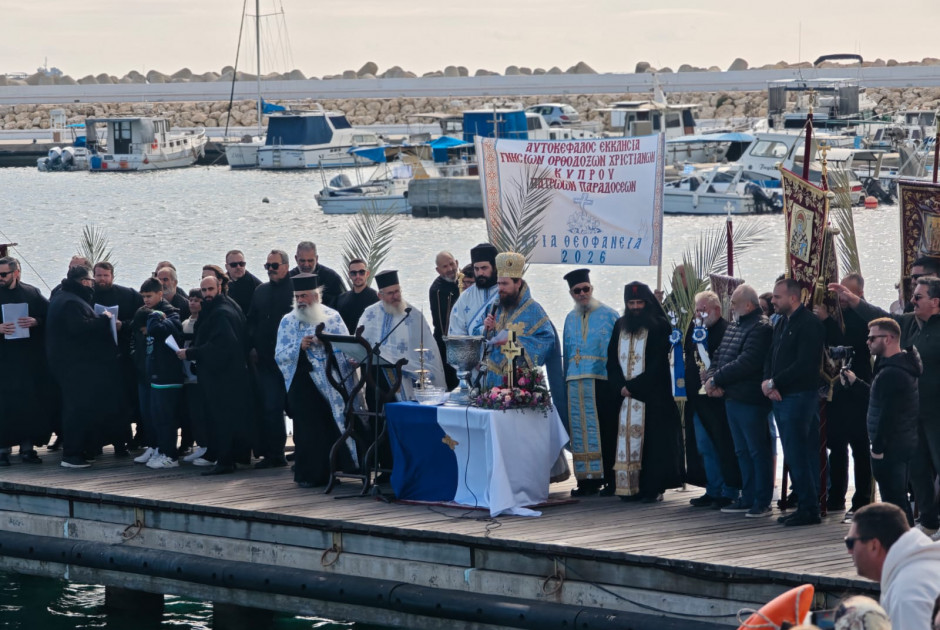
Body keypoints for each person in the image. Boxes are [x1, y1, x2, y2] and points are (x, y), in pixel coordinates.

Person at [831, 275, 940, 539]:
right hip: (912, 412)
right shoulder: (909, 323)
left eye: (918, 296)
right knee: (918, 469)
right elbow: (880, 318)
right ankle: (929, 521)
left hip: (938, 413)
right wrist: (855, 301)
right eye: (913, 295)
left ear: (936, 301)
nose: (912, 300)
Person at [274, 273, 358, 487]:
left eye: (305, 296)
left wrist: (325, 342)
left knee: (330, 427)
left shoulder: (332, 317)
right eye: (297, 296)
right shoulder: (287, 320)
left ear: (315, 296)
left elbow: (346, 348)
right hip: (302, 382)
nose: (300, 300)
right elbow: (280, 354)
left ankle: (333, 471)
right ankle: (309, 475)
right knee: (307, 431)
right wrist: (298, 347)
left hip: (330, 383)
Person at [605, 281, 684, 502]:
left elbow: (659, 363)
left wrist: (634, 387)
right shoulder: (620, 325)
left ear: (647, 303)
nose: (636, 307)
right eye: (631, 303)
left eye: (640, 302)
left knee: (652, 445)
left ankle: (651, 488)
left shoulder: (659, 326)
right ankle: (628, 487)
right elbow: (611, 359)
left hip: (652, 397)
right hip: (624, 397)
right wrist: (619, 385)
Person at [842, 318, 921, 525]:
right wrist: (856, 383)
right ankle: (904, 545)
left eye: (872, 338)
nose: (867, 342)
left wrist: (877, 448)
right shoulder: (894, 366)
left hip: (892, 446)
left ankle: (905, 547)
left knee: (894, 502)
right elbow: (879, 397)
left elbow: (889, 414)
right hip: (899, 443)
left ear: (888, 339)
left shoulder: (893, 372)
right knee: (896, 499)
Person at [706, 284, 774, 517]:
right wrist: (712, 377)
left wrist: (717, 379)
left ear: (748, 304)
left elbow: (748, 361)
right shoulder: (735, 325)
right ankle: (748, 496)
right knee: (742, 451)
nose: (731, 307)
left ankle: (762, 500)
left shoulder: (761, 327)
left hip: (751, 399)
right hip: (732, 397)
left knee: (757, 451)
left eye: (734, 303)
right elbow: (720, 354)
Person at [763, 278, 824, 526]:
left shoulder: (809, 324)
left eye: (777, 297)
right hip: (781, 394)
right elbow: (771, 355)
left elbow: (805, 364)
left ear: (793, 298)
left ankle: (810, 507)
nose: (773, 301)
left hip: (800, 396)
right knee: (795, 451)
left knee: (800, 452)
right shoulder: (781, 322)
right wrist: (768, 382)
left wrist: (775, 382)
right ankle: (806, 503)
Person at [46, 265, 120, 468]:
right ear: (84, 282)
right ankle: (72, 453)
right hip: (74, 367)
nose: (92, 285)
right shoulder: (70, 302)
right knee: (76, 409)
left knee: (78, 407)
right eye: (90, 281)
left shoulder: (63, 297)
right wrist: (104, 320)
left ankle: (82, 449)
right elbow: (79, 328)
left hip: (69, 365)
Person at [177, 275, 252, 475]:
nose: (207, 294)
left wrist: (191, 353)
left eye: (211, 289)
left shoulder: (221, 313)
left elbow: (222, 345)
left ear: (220, 288)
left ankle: (225, 461)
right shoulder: (226, 307)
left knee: (221, 418)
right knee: (230, 416)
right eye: (204, 291)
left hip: (222, 376)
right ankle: (235, 456)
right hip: (230, 373)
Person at [817, 272, 873, 515]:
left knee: (860, 447)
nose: (841, 297)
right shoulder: (837, 314)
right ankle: (836, 495)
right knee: (836, 444)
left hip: (858, 387)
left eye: (846, 293)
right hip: (836, 390)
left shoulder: (864, 317)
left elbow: (846, 346)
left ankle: (862, 500)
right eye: (838, 293)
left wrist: (828, 322)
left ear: (859, 293)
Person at [562, 268, 619, 496]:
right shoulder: (569, 318)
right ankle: (587, 480)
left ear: (591, 289)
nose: (582, 294)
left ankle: (610, 478)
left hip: (601, 380)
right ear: (571, 293)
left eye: (586, 289)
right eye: (577, 291)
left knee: (605, 430)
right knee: (580, 432)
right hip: (575, 382)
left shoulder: (609, 314)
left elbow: (617, 353)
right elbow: (566, 353)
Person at [684, 291, 741, 511]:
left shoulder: (727, 330)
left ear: (717, 310)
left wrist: (711, 375)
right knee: (704, 445)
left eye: (703, 309)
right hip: (696, 398)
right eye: (697, 310)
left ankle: (729, 489)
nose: (699, 314)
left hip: (718, 399)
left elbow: (728, 360)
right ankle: (712, 488)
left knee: (722, 444)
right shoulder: (695, 328)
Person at [847, 503, 940, 630]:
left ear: (873, 545)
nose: (849, 551)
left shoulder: (906, 593)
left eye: (850, 542)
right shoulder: (924, 563)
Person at [357, 270, 445, 395]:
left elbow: (427, 345)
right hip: (376, 374)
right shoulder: (370, 313)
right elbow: (362, 341)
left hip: (404, 373)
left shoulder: (412, 314)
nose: (395, 296)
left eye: (397, 291)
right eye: (390, 293)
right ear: (380, 296)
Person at [0, 256, 53, 465]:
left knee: (28, 404)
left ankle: (27, 447)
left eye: (3, 274)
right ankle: (2, 448)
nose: (0, 278)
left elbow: (50, 315)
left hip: (26, 360)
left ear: (16, 273)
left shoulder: (31, 293)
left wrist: (36, 321)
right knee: (4, 405)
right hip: (3, 360)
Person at [246, 250, 294, 469]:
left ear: (285, 265)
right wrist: (252, 345)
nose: (271, 270)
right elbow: (252, 320)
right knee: (271, 407)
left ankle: (302, 451)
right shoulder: (260, 291)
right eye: (268, 266)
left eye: (275, 266)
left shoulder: (296, 290)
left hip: (293, 361)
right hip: (266, 360)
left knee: (297, 408)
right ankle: (275, 454)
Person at [481, 252, 555, 389]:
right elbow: (487, 344)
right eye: (498, 283)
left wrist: (514, 341)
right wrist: (488, 330)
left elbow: (548, 340)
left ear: (518, 283)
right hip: (493, 379)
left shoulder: (533, 309)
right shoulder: (495, 306)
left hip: (520, 380)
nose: (500, 288)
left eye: (505, 284)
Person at [92, 261, 141, 455]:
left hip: (121, 358)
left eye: (105, 276)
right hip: (97, 360)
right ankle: (96, 444)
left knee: (121, 404)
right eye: (98, 276)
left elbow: (140, 318)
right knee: (98, 404)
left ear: (112, 276)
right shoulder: (88, 296)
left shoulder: (128, 295)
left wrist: (124, 325)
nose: (102, 280)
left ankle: (122, 444)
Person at [141, 298, 185, 469]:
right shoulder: (159, 319)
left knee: (167, 419)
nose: (146, 299)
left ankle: (171, 456)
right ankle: (162, 449)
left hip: (169, 379)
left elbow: (154, 328)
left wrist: (155, 315)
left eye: (150, 295)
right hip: (157, 379)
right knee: (157, 418)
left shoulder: (172, 319)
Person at [180, 288, 209, 464]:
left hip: (199, 375)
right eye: (190, 300)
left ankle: (206, 445)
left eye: (197, 300)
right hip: (186, 374)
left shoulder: (205, 322)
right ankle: (199, 444)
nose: (193, 303)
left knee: (202, 412)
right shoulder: (184, 322)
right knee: (192, 413)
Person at [448, 243, 499, 337]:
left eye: (484, 268)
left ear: (495, 267)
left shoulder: (506, 293)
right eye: (476, 269)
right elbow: (456, 336)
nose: (480, 273)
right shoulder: (465, 297)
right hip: (471, 351)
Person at [429, 251, 460, 390]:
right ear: (438, 270)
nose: (450, 269)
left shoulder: (466, 280)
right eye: (445, 266)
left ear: (457, 263)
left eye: (451, 264)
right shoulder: (437, 289)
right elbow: (442, 323)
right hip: (445, 343)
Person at [288, 241, 344, 308]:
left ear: (316, 259)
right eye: (302, 261)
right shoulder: (288, 279)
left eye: (310, 261)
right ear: (296, 259)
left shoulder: (332, 278)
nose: (306, 264)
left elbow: (343, 304)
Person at [334, 258, 379, 335]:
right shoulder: (341, 299)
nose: (357, 276)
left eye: (361, 272)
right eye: (353, 273)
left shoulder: (376, 298)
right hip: (344, 342)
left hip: (367, 344)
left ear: (367, 274)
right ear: (349, 275)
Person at [225, 249, 262, 314]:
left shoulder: (256, 284)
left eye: (241, 264)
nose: (238, 267)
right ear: (226, 267)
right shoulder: (221, 282)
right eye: (234, 264)